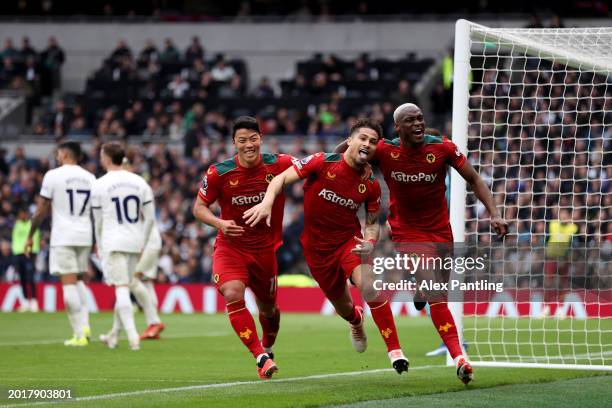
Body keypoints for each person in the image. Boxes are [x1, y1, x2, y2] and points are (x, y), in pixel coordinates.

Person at [335, 103, 508, 384]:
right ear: (398, 128)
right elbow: (345, 151)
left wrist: (495, 213)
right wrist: (345, 154)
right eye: (410, 120)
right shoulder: (385, 151)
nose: (418, 124)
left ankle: (420, 289)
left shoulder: (442, 148)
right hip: (407, 232)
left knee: (437, 286)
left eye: (420, 119)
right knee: (437, 293)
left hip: (440, 231)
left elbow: (474, 179)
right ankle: (459, 358)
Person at [244, 118, 409, 374]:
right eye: (362, 138)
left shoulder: (371, 185)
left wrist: (370, 242)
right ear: (350, 140)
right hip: (317, 252)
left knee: (369, 286)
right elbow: (279, 180)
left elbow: (373, 224)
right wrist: (267, 203)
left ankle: (395, 351)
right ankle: (355, 320)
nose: (367, 144)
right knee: (344, 308)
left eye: (373, 141)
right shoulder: (321, 162)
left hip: (348, 244)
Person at [192, 116, 294, 379]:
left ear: (261, 138)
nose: (248, 145)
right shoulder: (219, 172)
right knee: (232, 291)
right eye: (242, 140)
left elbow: (316, 164)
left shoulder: (280, 164)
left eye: (252, 138)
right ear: (234, 143)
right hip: (231, 247)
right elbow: (198, 208)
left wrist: (350, 147)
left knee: (269, 311)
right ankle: (259, 355)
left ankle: (268, 347)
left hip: (264, 250)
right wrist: (220, 223)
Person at [25, 141, 95, 345]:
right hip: (84, 235)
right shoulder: (90, 177)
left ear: (65, 154)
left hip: (64, 236)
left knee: (68, 284)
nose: (56, 157)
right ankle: (86, 325)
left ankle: (79, 334)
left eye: (58, 154)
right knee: (79, 280)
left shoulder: (53, 176)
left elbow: (40, 210)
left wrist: (31, 235)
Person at [92, 142, 155, 351]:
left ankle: (132, 336)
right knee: (125, 286)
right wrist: (143, 241)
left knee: (121, 289)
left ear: (107, 158)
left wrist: (99, 245)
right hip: (134, 241)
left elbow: (98, 221)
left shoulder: (99, 184)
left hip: (113, 241)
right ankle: (113, 335)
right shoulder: (140, 182)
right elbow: (150, 218)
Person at [121, 156, 165, 340]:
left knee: (132, 280)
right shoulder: (139, 185)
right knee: (146, 282)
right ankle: (153, 326)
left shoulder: (131, 188)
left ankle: (153, 322)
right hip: (152, 239)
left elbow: (140, 217)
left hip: (146, 241)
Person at [13, 206, 40, 312]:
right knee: (22, 279)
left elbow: (35, 239)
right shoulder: (17, 225)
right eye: (21, 213)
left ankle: (34, 302)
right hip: (18, 254)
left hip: (29, 254)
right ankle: (24, 302)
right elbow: (15, 239)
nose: (22, 215)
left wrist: (33, 251)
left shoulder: (32, 225)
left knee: (30, 278)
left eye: (24, 213)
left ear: (27, 214)